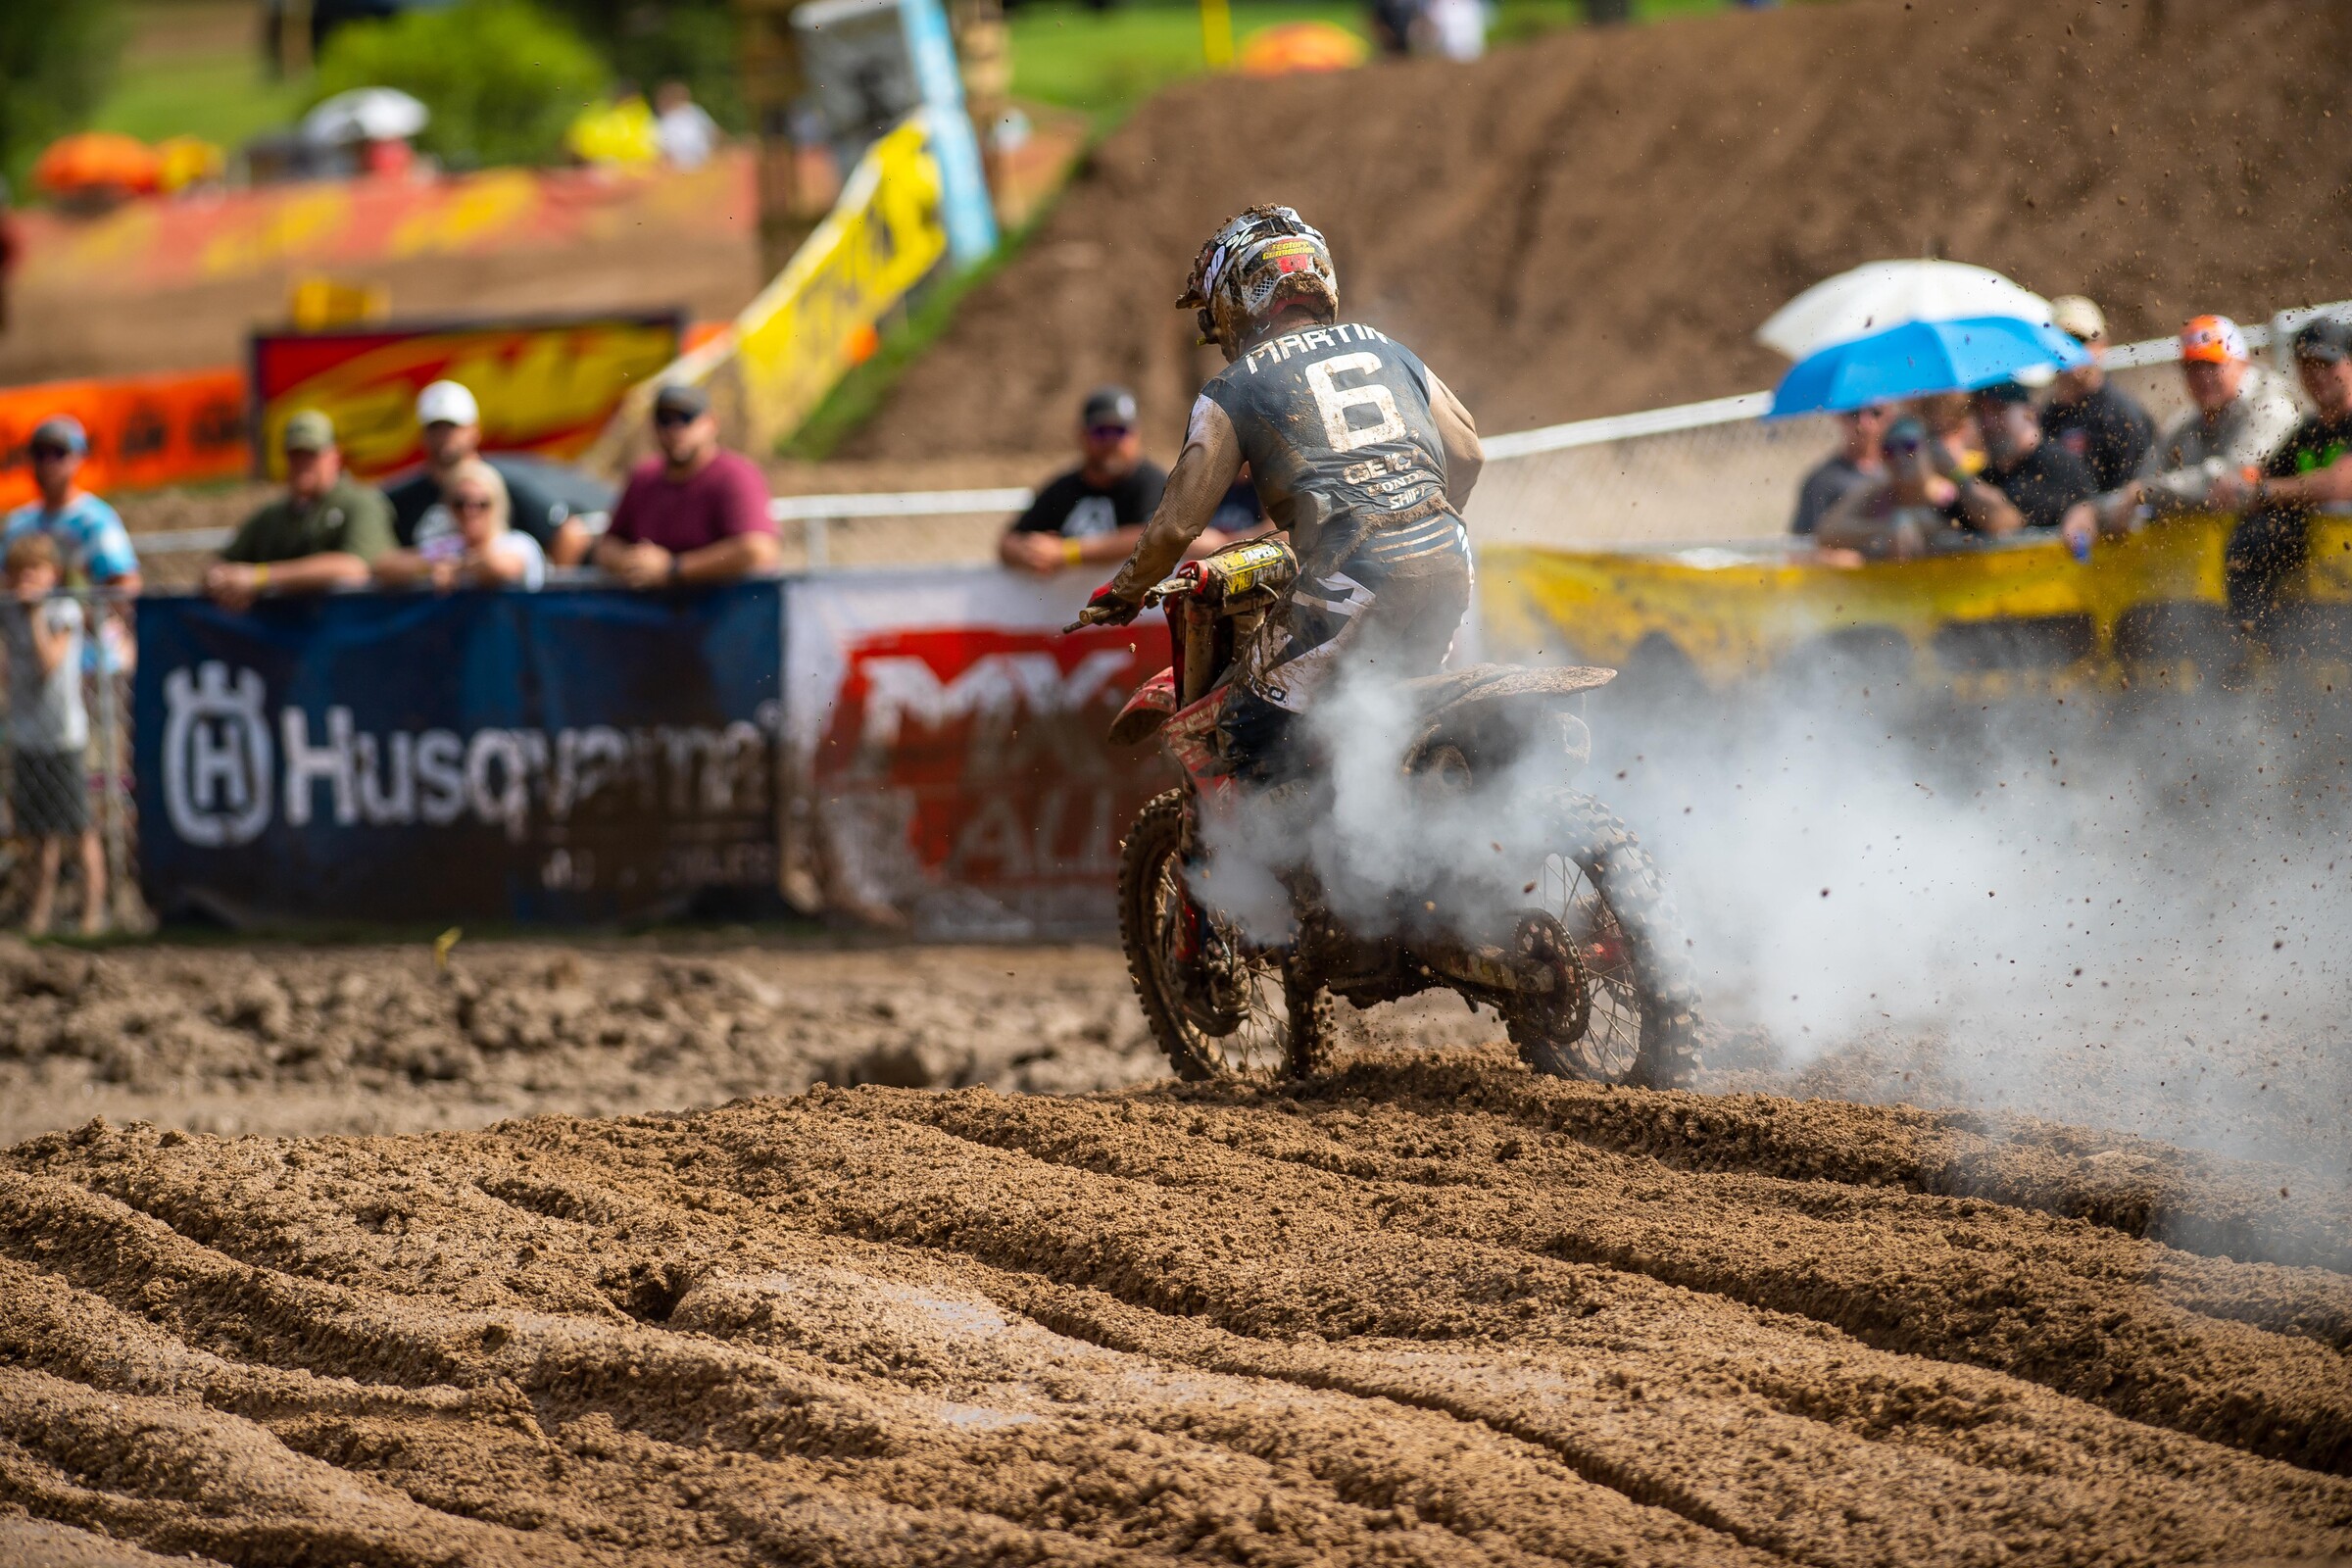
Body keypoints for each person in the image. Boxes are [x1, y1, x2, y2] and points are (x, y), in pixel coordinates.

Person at [1076, 205, 1486, 778]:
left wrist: (1125, 591)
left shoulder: (1233, 386)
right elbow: (1468, 452)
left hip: (1352, 572)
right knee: (1380, 707)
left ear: (1235, 297)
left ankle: (1304, 862)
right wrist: (1414, 520)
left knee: (1242, 724)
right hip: (1450, 556)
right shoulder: (1391, 349)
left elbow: (1176, 525)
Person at [2060, 315, 2301, 553]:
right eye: (2193, 368)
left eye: (2212, 365)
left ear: (2242, 363)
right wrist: (2094, 510)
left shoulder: (2271, 406)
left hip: (2283, 556)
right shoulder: (2185, 424)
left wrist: (2145, 493)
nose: (2202, 377)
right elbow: (2140, 484)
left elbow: (2229, 480)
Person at [2210, 316, 2352, 637]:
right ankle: (2254, 648)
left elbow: (2338, 483)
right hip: (2327, 593)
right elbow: (2263, 475)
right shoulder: (2309, 431)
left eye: (2326, 363)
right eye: (2306, 364)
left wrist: (2262, 492)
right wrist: (2238, 484)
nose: (2315, 374)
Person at [2, 535, 103, 936]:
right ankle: (39, 915)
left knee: (80, 830)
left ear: (53, 575)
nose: (27, 580)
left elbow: (47, 663)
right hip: (26, 736)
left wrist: (33, 614)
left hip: (63, 737)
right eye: (19, 572)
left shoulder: (63, 611)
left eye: (35, 571)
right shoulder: (9, 612)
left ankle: (93, 914)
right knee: (38, 835)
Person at [380, 380, 589, 565]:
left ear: (474, 431)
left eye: (482, 504)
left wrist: (552, 601)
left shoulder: (507, 495)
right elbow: (382, 563)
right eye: (435, 428)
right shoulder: (402, 498)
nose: (470, 511)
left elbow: (568, 535)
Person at [205, 412, 396, 612]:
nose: (302, 463)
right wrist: (222, 583)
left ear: (334, 456)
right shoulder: (271, 516)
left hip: (351, 630)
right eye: (295, 454)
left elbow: (355, 569)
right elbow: (220, 564)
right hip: (279, 635)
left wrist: (260, 577)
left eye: (311, 454)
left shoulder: (359, 502)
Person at [593, 383, 779, 587]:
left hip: (724, 611)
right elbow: (607, 547)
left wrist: (674, 568)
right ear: (653, 427)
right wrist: (634, 564)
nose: (675, 429)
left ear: (711, 423)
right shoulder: (643, 478)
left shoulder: (736, 475)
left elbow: (757, 550)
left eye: (686, 418)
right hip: (653, 613)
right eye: (665, 420)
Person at [1001, 387, 1173, 575]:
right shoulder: (1064, 487)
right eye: (1101, 432)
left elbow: (1153, 536)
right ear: (1082, 435)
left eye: (1119, 431)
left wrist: (1068, 553)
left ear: (1136, 435)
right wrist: (1029, 554)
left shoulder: (1151, 482)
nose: (1111, 441)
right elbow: (1007, 543)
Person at [1815, 415, 2020, 560]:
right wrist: (1886, 527)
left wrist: (1957, 474)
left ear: (1929, 450)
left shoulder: (1952, 495)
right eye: (1889, 450)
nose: (1900, 456)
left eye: (1909, 446)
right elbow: (1827, 531)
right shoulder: (1881, 490)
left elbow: (2007, 520)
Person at [371, 459, 545, 592]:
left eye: (481, 504)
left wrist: (456, 569)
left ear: (498, 504)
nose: (470, 511)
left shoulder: (517, 543)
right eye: (460, 503)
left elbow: (499, 567)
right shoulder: (449, 547)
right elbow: (383, 567)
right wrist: (430, 567)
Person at [2038, 295, 2154, 491]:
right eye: (2062, 340)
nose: (2070, 349)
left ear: (2103, 346)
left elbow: (2133, 495)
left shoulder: (2122, 417)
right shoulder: (2045, 418)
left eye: (2080, 340)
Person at [1974, 381, 2098, 532]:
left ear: (2029, 414)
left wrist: (1956, 473)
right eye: (1980, 412)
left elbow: (2005, 522)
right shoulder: (1988, 476)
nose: (1988, 423)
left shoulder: (2057, 465)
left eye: (1998, 410)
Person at [1789, 404, 1889, 536]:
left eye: (1875, 412)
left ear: (1889, 416)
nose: (1864, 423)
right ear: (1840, 417)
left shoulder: (1900, 472)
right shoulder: (1822, 482)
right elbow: (1803, 546)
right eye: (1854, 412)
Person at [654, 80, 721, 170]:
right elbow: (663, 148)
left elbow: (713, 131)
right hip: (680, 166)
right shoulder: (666, 120)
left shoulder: (693, 110)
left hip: (704, 161)